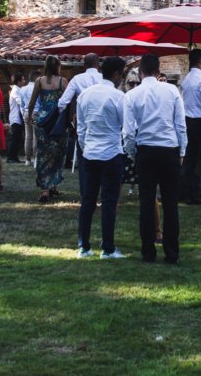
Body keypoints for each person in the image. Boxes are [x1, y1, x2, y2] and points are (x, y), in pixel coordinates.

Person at [123, 54, 187, 264]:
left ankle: (148, 251)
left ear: (140, 73)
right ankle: (172, 253)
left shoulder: (132, 95)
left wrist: (133, 153)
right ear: (158, 72)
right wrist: (181, 152)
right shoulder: (171, 91)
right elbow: (180, 125)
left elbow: (129, 133)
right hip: (169, 149)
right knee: (170, 204)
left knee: (146, 202)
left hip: (146, 151)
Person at [76, 56, 127, 260]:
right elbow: (126, 126)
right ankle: (107, 247)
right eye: (122, 74)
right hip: (112, 153)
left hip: (89, 152)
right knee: (108, 201)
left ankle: (84, 246)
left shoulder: (85, 95)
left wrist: (85, 146)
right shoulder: (118, 96)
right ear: (115, 74)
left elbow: (80, 127)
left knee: (87, 200)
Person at [28, 55, 69, 203]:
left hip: (42, 122)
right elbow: (69, 100)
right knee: (58, 154)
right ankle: (52, 185)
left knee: (43, 154)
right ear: (58, 66)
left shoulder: (39, 81)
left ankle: (45, 189)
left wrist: (28, 117)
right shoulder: (63, 82)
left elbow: (32, 101)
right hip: (57, 122)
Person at [180, 48, 201, 204]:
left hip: (188, 121)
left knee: (190, 159)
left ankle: (187, 192)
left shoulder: (186, 79)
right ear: (200, 60)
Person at [6, 72, 28, 164]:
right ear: (18, 81)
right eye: (23, 79)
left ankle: (14, 157)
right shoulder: (15, 90)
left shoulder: (19, 89)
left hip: (19, 117)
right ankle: (11, 157)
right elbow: (19, 101)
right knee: (15, 138)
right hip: (16, 118)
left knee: (17, 138)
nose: (24, 81)